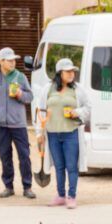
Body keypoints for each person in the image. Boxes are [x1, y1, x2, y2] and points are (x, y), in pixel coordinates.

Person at [35, 58, 91, 209]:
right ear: (60, 73)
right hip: (52, 133)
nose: (72, 74)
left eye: (73, 71)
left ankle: (71, 196)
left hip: (71, 133)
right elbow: (40, 110)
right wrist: (39, 133)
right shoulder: (48, 88)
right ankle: (60, 195)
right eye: (68, 71)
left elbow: (88, 108)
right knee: (59, 166)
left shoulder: (78, 89)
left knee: (71, 166)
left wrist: (76, 112)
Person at [0, 47, 35, 199]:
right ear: (1, 61)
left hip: (18, 124)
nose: (13, 62)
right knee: (5, 156)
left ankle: (27, 187)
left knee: (24, 156)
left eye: (14, 60)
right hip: (0, 125)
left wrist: (20, 94)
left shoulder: (20, 77)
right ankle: (8, 186)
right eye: (9, 60)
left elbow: (30, 97)